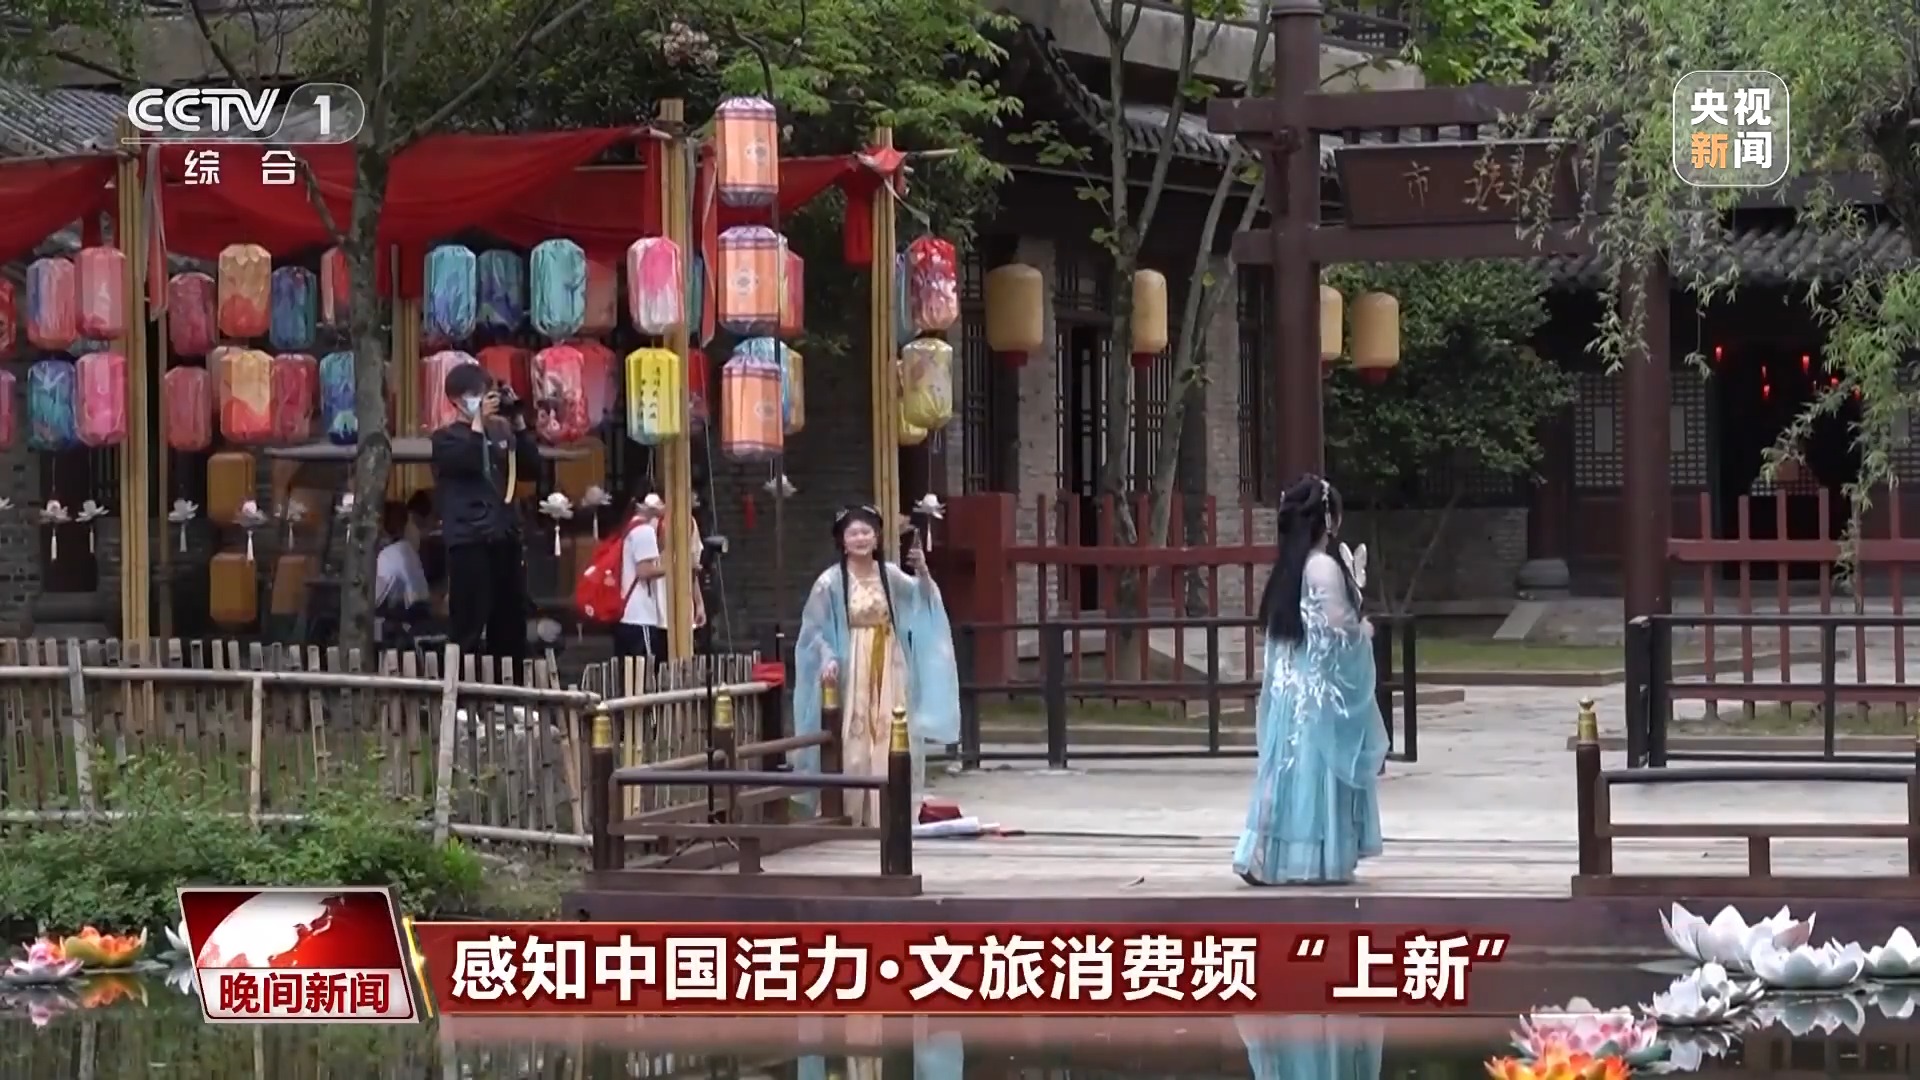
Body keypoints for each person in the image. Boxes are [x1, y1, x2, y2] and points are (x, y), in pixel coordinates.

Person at [1233, 474, 1388, 886]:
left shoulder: (1288, 567)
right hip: (1317, 692)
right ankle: (1316, 858)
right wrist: (1362, 631)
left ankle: (1265, 855)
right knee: (1315, 772)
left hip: (1289, 689)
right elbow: (1336, 625)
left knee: (1283, 771)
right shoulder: (1321, 565)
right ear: (1328, 519)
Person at [792, 504, 961, 826]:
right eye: (853, 533)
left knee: (891, 735)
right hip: (852, 664)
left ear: (877, 537)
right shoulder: (829, 582)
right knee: (853, 738)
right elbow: (813, 630)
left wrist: (923, 572)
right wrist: (828, 656)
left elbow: (922, 600)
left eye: (866, 532)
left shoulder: (890, 575)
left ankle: (890, 812)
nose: (860, 538)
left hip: (889, 663)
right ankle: (850, 811)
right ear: (842, 541)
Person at [429, 363, 540, 665]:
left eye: (487, 393)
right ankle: (461, 686)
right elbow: (467, 460)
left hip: (504, 536)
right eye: (476, 394)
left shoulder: (501, 432)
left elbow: (532, 468)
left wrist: (518, 423)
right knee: (469, 622)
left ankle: (510, 685)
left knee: (510, 621)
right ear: (456, 400)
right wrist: (478, 423)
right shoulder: (445, 438)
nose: (484, 400)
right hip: (469, 539)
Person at [615, 491, 669, 659]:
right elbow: (644, 570)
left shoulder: (631, 527)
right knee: (645, 668)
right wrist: (673, 568)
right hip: (640, 615)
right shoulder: (644, 531)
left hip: (629, 614)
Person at [374, 500, 430, 643]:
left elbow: (375, 599)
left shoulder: (389, 555)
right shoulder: (406, 549)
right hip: (418, 617)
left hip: (403, 623)